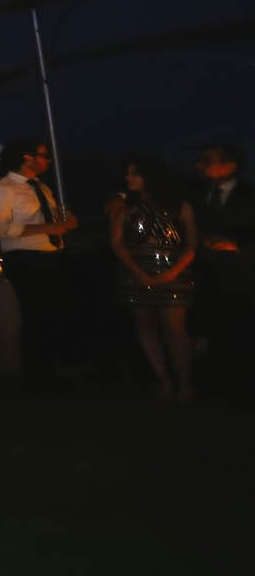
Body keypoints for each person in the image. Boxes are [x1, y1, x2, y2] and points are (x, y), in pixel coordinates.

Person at [0, 137, 84, 389]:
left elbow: (52, 218)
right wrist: (47, 227)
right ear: (27, 158)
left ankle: (51, 369)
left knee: (51, 314)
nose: (48, 161)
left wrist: (66, 223)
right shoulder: (2, 189)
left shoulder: (42, 187)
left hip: (51, 254)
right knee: (36, 314)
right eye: (43, 155)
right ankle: (36, 375)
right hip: (25, 257)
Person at [109, 160, 197, 401]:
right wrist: (136, 271)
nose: (129, 178)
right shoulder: (127, 206)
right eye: (127, 174)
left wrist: (172, 273)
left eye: (134, 174)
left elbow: (191, 244)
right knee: (145, 325)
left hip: (174, 272)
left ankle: (185, 382)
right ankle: (163, 380)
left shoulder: (179, 205)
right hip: (137, 269)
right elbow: (116, 241)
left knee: (175, 328)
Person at [192, 143, 252, 402]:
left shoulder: (250, 196)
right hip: (206, 277)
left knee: (240, 332)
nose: (200, 165)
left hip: (242, 278)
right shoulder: (197, 194)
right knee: (209, 331)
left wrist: (238, 246)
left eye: (207, 160)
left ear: (230, 166)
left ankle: (242, 390)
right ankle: (213, 389)